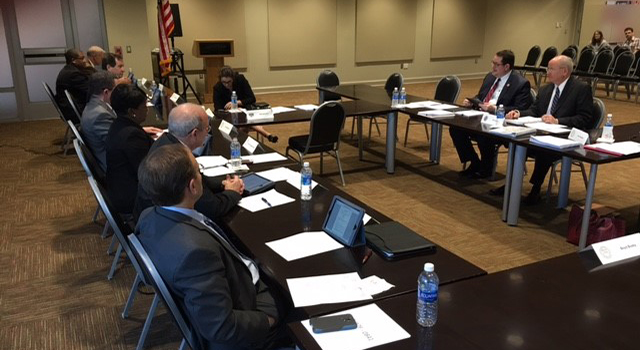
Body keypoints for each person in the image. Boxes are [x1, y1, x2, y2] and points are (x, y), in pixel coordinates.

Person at [136, 144, 289, 350]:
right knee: (296, 296)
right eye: (199, 171)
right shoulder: (196, 253)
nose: (201, 176)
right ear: (192, 186)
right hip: (248, 307)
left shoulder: (148, 217)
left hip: (232, 282)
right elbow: (222, 328)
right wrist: (269, 320)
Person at [506, 55, 595, 205]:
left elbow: (584, 118)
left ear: (564, 71)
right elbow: (535, 110)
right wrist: (519, 113)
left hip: (566, 136)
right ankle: (511, 184)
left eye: (551, 69)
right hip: (542, 131)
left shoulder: (580, 89)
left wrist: (558, 121)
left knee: (543, 149)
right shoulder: (546, 88)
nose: (547, 72)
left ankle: (535, 189)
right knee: (516, 142)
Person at [133, 103, 244, 222]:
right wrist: (232, 192)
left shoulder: (166, 142)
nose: (207, 134)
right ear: (194, 133)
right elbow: (211, 209)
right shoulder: (177, 160)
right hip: (168, 226)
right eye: (207, 129)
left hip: (151, 218)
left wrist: (222, 184)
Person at [450, 50, 532, 179]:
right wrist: (472, 101)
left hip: (500, 122)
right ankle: (474, 162)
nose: (492, 67)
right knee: (456, 128)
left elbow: (520, 109)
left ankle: (486, 168)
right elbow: (481, 96)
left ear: (506, 67)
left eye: (496, 64)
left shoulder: (520, 83)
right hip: (481, 116)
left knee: (485, 134)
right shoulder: (490, 77)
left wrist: (496, 109)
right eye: (492, 63)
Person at [105, 84, 154, 216]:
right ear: (132, 111)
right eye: (144, 107)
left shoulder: (119, 124)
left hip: (119, 188)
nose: (147, 110)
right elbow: (147, 171)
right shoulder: (131, 135)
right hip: (132, 197)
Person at [213, 66, 278, 143]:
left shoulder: (240, 80)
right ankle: (267, 134)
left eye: (229, 82)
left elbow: (251, 98)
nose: (226, 85)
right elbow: (218, 109)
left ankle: (241, 144)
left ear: (233, 79)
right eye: (224, 82)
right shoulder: (218, 87)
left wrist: (238, 102)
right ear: (220, 80)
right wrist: (229, 109)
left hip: (245, 110)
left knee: (244, 124)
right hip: (229, 115)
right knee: (244, 125)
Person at [55, 48, 93, 124]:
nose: (85, 60)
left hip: (70, 107)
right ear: (73, 60)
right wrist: (91, 68)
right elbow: (91, 90)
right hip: (75, 111)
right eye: (82, 58)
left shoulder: (69, 70)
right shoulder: (73, 74)